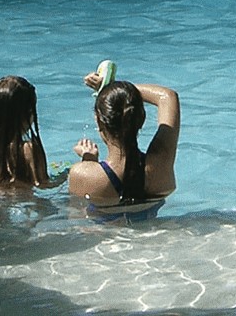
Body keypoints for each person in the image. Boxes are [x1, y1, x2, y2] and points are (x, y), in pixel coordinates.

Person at [69, 72, 180, 223]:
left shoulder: (83, 174)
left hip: (107, 244)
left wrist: (88, 160)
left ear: (99, 122)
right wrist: (116, 88)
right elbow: (168, 96)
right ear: (142, 120)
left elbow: (77, 218)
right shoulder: (161, 163)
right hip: (152, 237)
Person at [0, 75, 53, 190]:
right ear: (29, 113)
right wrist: (67, 174)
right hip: (21, 203)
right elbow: (43, 186)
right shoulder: (29, 149)